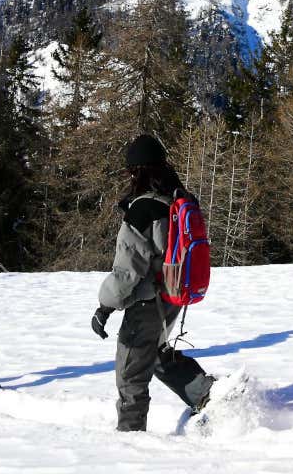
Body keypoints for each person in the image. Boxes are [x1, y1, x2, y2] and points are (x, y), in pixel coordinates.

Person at [89, 134, 216, 432]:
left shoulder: (142, 209)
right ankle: (212, 397)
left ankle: (130, 440)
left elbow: (127, 272)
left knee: (131, 374)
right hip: (171, 298)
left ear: (136, 170)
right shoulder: (180, 199)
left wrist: (105, 306)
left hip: (147, 304)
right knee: (157, 355)